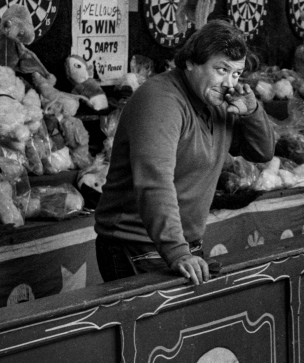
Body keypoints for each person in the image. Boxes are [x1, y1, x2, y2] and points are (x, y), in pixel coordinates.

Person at [95, 20, 275, 285]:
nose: (228, 83)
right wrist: (177, 252)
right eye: (221, 70)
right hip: (136, 245)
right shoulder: (160, 101)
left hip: (179, 245)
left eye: (236, 74)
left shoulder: (216, 100)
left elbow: (261, 152)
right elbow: (154, 181)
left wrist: (252, 112)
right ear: (191, 62)